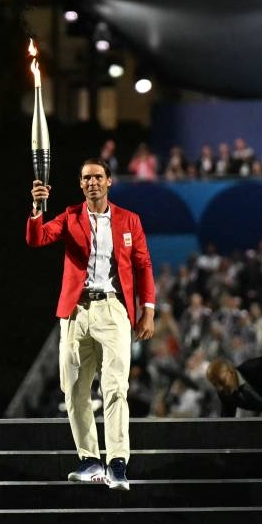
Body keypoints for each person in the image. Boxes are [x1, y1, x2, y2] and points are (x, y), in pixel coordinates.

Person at [27, 159, 156, 491]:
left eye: (98, 176)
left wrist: (148, 310)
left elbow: (143, 265)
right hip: (76, 312)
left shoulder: (129, 220)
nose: (93, 182)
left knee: (115, 388)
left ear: (109, 181)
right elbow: (37, 239)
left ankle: (117, 463)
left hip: (113, 310)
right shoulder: (71, 216)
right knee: (73, 389)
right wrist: (37, 206)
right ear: (81, 184)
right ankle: (90, 461)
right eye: (86, 178)